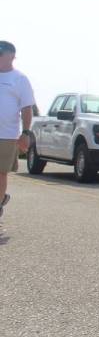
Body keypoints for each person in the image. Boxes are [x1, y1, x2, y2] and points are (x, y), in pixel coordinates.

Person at [0, 41, 35, 219]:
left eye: (0, 53)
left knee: (0, 173)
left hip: (6, 136)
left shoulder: (19, 79)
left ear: (12, 56)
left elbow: (27, 109)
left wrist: (25, 133)